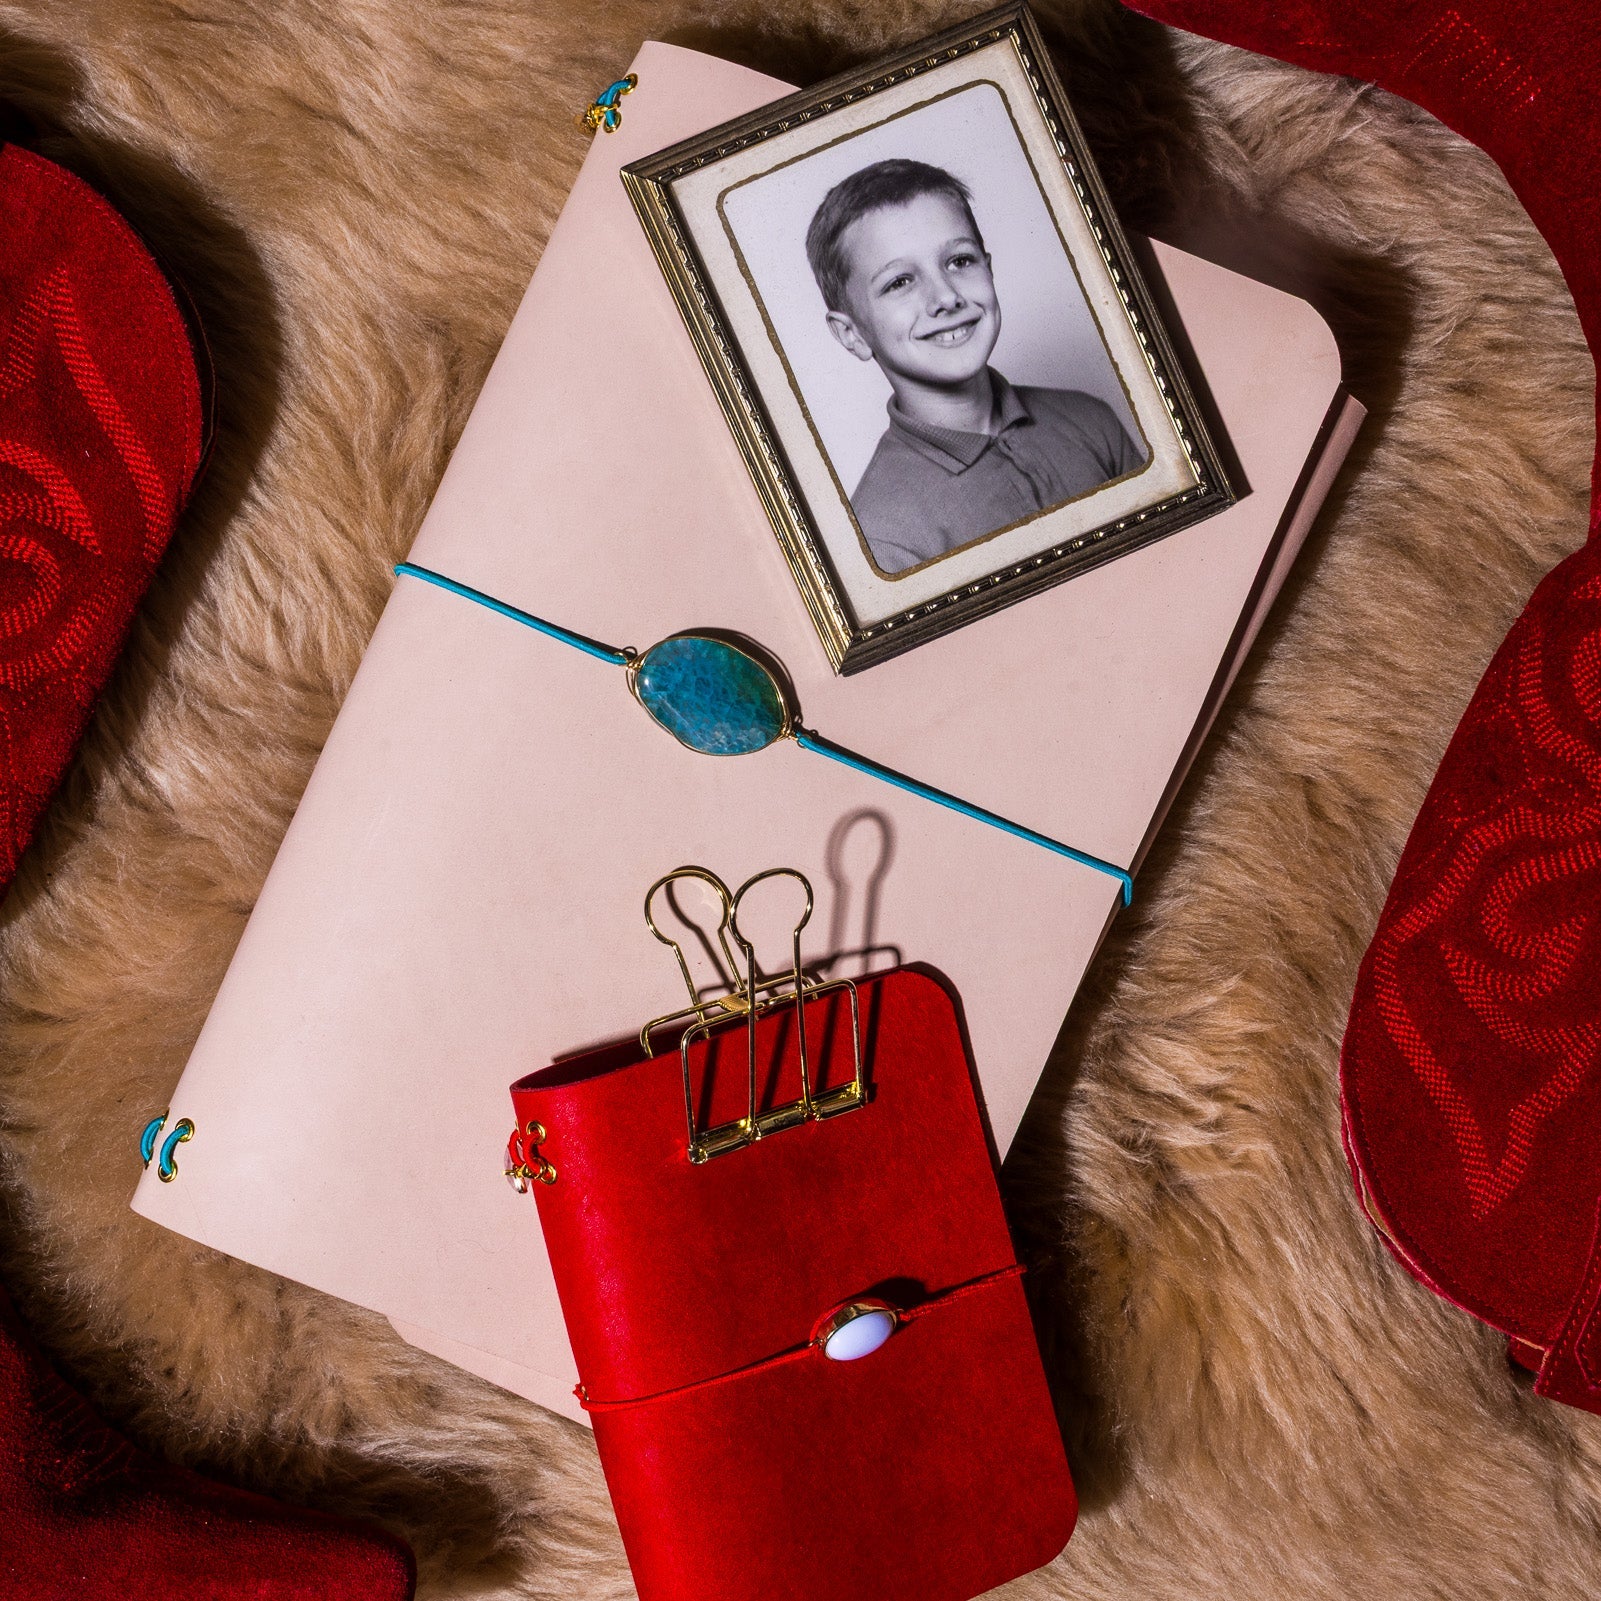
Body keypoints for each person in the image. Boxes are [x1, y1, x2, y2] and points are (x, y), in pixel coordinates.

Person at [805, 157, 1148, 574]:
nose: (946, 297)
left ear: (989, 268)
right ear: (852, 334)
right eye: (900, 282)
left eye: (959, 261)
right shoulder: (884, 541)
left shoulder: (1090, 419)